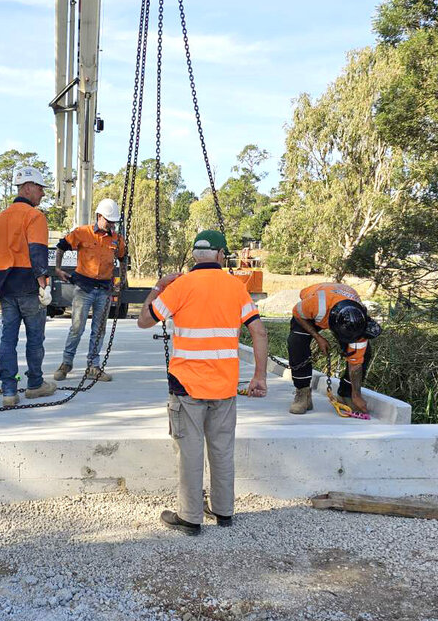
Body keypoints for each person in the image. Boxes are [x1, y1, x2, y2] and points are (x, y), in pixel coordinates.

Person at [137, 230, 269, 535]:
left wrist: (158, 287)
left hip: (187, 386)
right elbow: (259, 332)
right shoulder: (236, 288)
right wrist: (259, 377)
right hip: (224, 385)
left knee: (190, 450)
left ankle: (190, 517)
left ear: (195, 256)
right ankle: (223, 511)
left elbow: (144, 320)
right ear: (221, 255)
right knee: (222, 449)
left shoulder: (180, 286)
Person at [0, 165, 57, 407]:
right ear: (27, 188)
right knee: (35, 338)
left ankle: (9, 391)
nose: (43, 193)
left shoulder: (0, 218)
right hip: (28, 286)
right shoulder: (34, 216)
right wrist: (43, 285)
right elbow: (37, 253)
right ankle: (35, 385)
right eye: (40, 188)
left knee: (8, 338)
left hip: (6, 287)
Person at [53, 198, 127, 382]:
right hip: (84, 289)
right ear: (99, 216)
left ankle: (93, 366)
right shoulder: (82, 233)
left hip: (104, 290)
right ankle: (66, 364)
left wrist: (122, 279)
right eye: (109, 221)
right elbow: (61, 247)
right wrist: (58, 269)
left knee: (99, 330)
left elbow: (123, 258)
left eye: (114, 222)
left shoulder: (117, 239)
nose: (111, 225)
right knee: (77, 328)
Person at [287, 282, 381, 415]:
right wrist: (317, 337)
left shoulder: (359, 324)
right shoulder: (316, 305)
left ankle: (346, 394)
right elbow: (297, 313)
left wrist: (356, 394)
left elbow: (356, 364)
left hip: (341, 307)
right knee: (296, 341)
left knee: (364, 353)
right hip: (314, 308)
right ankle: (303, 394)